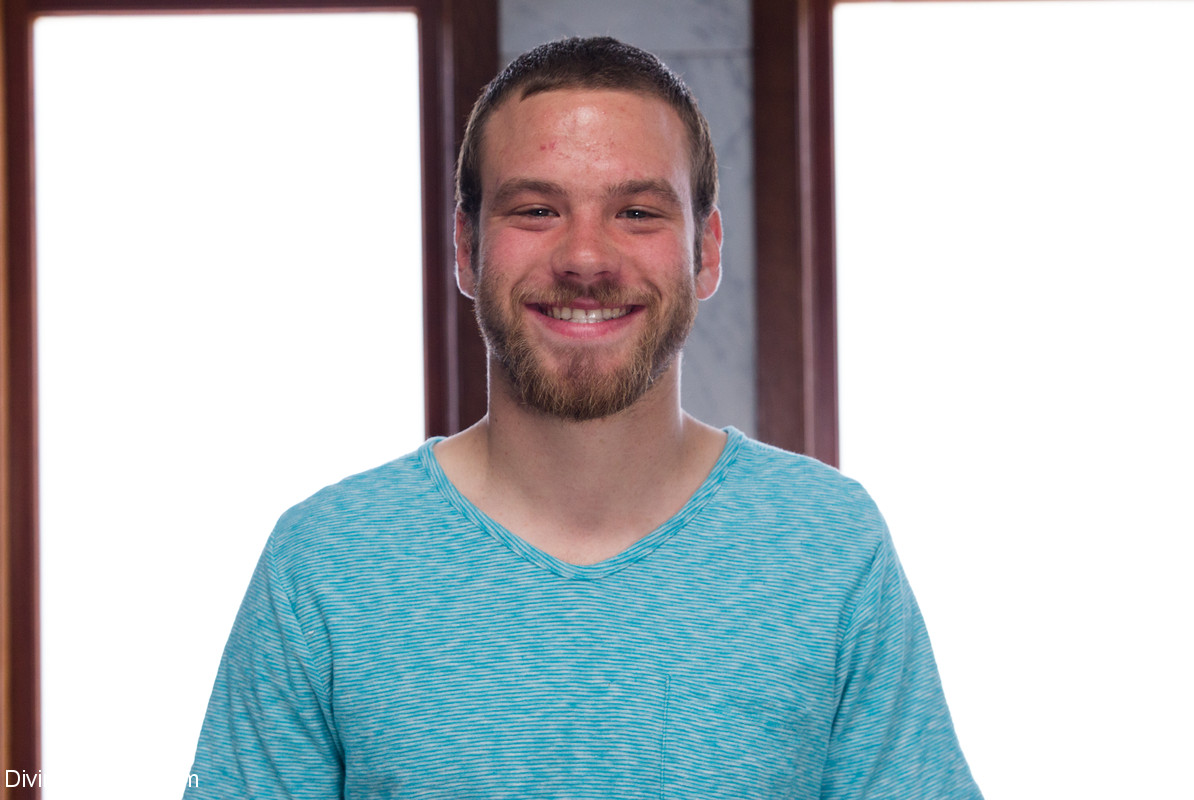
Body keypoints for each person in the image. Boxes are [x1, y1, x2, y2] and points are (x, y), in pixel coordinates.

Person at [184, 36, 982, 799]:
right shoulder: (327, 563)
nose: (586, 258)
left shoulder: (829, 546)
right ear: (465, 248)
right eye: (537, 210)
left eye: (637, 212)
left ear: (705, 252)